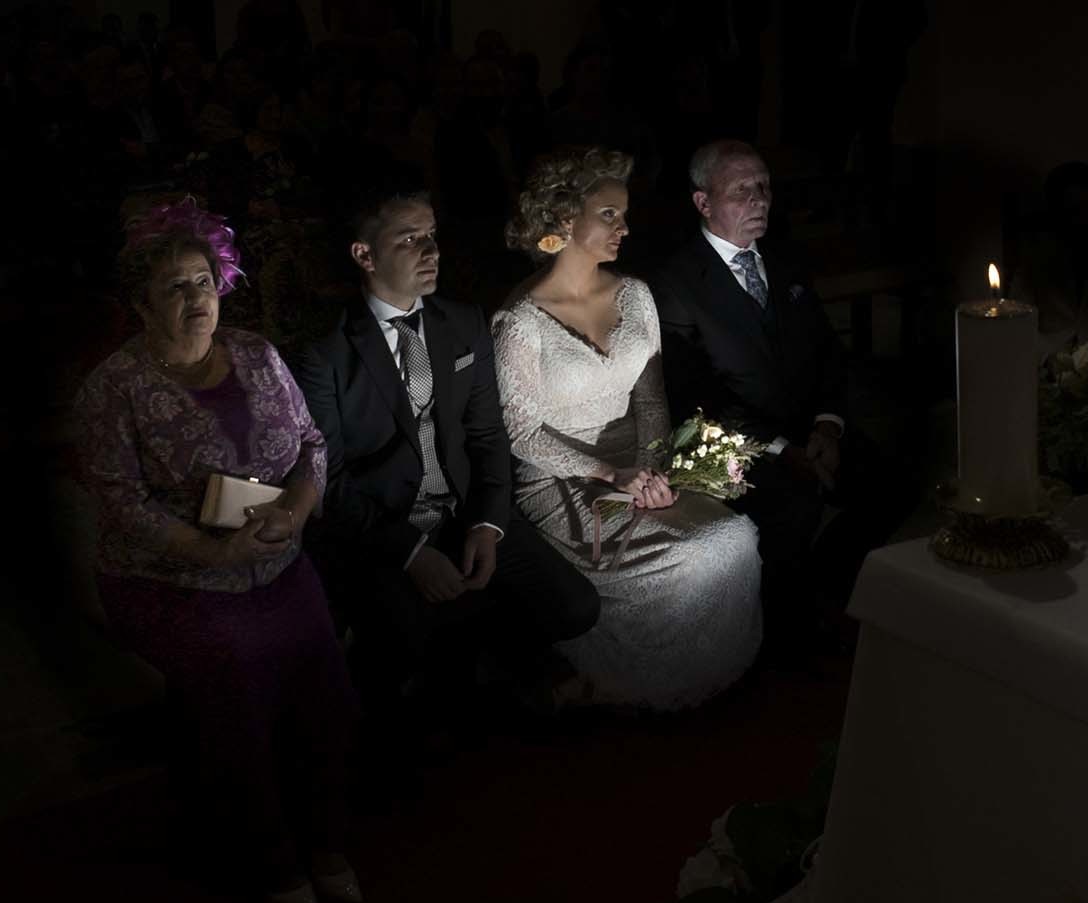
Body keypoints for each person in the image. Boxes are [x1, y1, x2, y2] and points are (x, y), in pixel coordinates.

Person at [74, 199, 359, 903]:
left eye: (202, 281)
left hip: (273, 559)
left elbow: (311, 446)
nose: (195, 297)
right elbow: (120, 503)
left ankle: (328, 843)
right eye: (174, 287)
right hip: (170, 579)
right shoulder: (112, 388)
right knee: (238, 689)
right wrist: (212, 549)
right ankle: (271, 855)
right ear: (142, 305)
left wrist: (296, 512)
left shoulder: (257, 354)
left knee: (326, 686)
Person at [289, 177, 600, 759]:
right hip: (385, 528)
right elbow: (326, 476)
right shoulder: (325, 350)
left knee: (577, 606)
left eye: (432, 235)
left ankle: (489, 673)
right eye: (409, 239)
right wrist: (409, 551)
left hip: (464, 514)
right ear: (364, 254)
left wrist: (488, 524)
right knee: (410, 637)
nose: (431, 250)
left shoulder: (463, 323)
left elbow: (487, 436)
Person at [492, 147, 762, 710]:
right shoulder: (518, 321)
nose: (625, 228)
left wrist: (652, 471)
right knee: (690, 556)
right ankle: (632, 679)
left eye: (625, 214)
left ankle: (697, 674)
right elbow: (522, 435)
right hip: (562, 483)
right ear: (565, 218)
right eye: (609, 214)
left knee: (732, 536)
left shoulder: (636, 295)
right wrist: (607, 474)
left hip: (637, 466)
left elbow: (652, 399)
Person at [649, 139, 911, 654]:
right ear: (703, 202)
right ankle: (784, 636)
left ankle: (827, 585)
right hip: (730, 442)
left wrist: (828, 426)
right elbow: (694, 394)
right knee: (793, 505)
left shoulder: (784, 259)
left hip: (809, 428)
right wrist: (779, 449)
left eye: (764, 186)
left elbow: (827, 350)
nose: (759, 200)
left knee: (892, 483)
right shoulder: (675, 282)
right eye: (741, 190)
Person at [1008, 161, 1088, 354]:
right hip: (1045, 361)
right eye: (1076, 211)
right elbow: (1018, 323)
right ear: (1056, 213)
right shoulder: (1034, 259)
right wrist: (1048, 357)